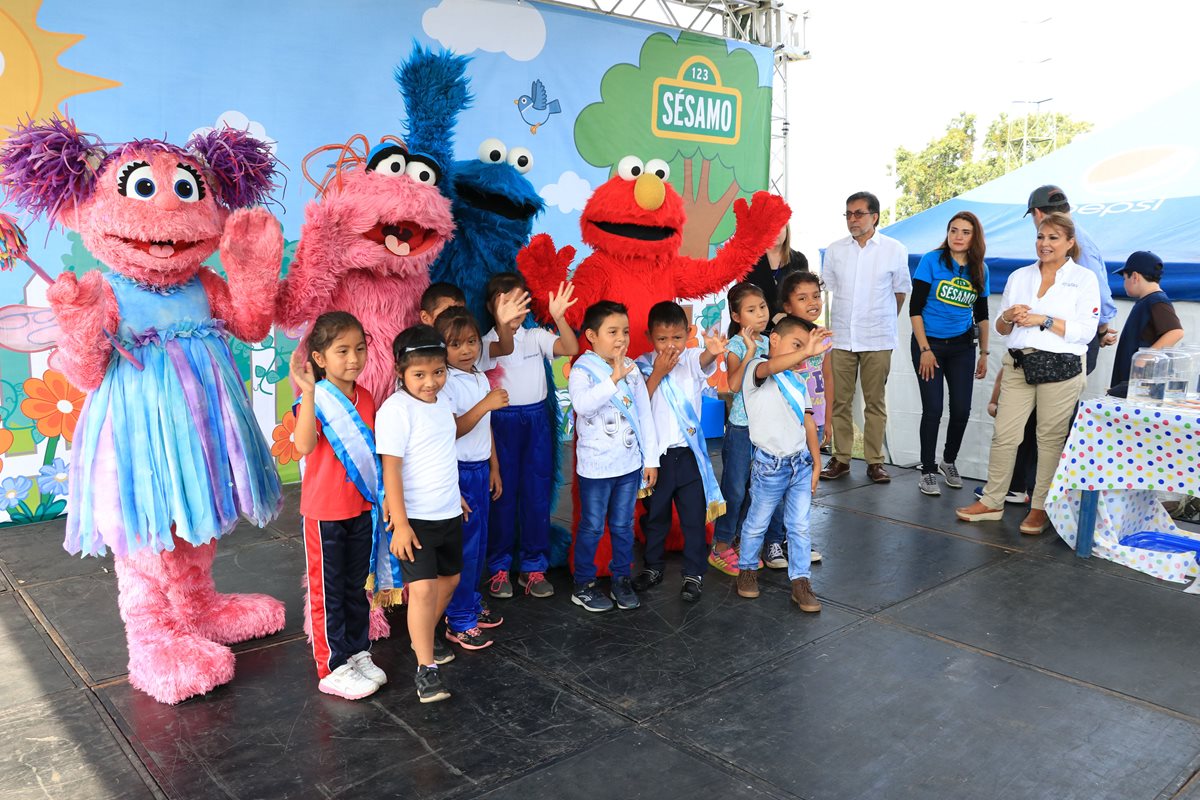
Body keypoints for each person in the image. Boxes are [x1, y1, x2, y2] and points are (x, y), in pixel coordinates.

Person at [956, 212, 1099, 535]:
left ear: (1069, 243)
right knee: (1005, 435)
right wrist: (1007, 315)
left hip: (1061, 367)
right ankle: (992, 501)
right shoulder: (1020, 276)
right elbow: (1004, 329)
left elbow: (1086, 332)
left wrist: (1044, 320)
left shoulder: (1084, 279)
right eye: (1040, 237)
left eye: (1053, 238)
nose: (1044, 244)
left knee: (1048, 439)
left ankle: (1040, 508)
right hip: (1019, 363)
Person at [291, 312, 385, 701]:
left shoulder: (367, 398)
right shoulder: (314, 399)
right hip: (324, 513)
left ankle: (356, 651)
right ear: (319, 357)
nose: (353, 359)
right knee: (326, 592)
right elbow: (304, 446)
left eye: (359, 349)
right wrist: (310, 394)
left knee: (354, 586)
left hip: (360, 509)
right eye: (342, 351)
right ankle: (330, 665)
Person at [377, 325, 465, 704]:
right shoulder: (395, 410)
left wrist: (457, 496)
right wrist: (399, 523)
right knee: (424, 589)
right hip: (415, 520)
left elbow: (442, 453)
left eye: (438, 372)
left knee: (451, 580)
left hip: (447, 511)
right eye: (420, 375)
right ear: (400, 371)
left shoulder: (442, 404)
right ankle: (426, 669)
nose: (431, 382)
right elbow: (391, 469)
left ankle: (421, 639)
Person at [478, 273, 578, 600]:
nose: (515, 310)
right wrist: (504, 324)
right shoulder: (483, 343)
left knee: (536, 495)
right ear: (491, 307)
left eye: (521, 302)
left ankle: (534, 567)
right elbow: (503, 345)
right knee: (502, 498)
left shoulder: (535, 336)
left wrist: (560, 318)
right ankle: (499, 567)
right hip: (501, 424)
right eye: (506, 302)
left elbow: (570, 347)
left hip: (536, 422)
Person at [632, 301, 727, 603]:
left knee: (693, 518)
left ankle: (693, 573)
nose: (670, 345)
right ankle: (653, 568)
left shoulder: (691, 360)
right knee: (656, 517)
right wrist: (657, 373)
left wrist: (712, 349)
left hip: (689, 457)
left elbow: (705, 361)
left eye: (677, 338)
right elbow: (637, 404)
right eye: (662, 339)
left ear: (688, 335)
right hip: (656, 459)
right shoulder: (641, 366)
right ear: (650, 337)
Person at [735, 315, 831, 611]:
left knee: (799, 526)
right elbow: (770, 366)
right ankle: (748, 569)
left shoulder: (798, 382)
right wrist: (807, 351)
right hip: (769, 466)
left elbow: (808, 421)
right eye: (796, 345)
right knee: (757, 524)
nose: (802, 353)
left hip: (799, 464)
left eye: (805, 347)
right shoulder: (756, 369)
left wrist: (816, 463)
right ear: (774, 340)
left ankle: (800, 581)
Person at [568, 300, 659, 612]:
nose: (621, 338)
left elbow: (644, 413)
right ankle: (584, 584)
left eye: (625, 331)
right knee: (592, 527)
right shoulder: (582, 369)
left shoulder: (632, 369)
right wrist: (613, 379)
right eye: (612, 332)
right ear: (592, 335)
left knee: (623, 525)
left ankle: (621, 579)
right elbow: (583, 406)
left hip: (629, 465)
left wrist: (651, 460)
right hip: (595, 469)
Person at [820, 191, 911, 484]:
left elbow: (900, 291)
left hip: (878, 338)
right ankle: (842, 458)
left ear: (875, 216)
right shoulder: (835, 250)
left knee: (875, 403)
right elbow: (830, 289)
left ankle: (874, 462)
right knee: (840, 402)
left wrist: (882, 321)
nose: (852, 219)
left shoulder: (895, 249)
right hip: (843, 336)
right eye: (848, 214)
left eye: (858, 213)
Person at [434, 307, 509, 651]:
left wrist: (493, 466)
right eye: (455, 344)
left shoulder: (478, 375)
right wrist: (487, 403)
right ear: (441, 348)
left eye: (471, 342)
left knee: (478, 546)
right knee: (463, 549)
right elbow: (453, 429)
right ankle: (459, 619)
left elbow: (485, 428)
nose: (466, 350)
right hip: (459, 472)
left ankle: (470, 602)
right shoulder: (445, 381)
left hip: (480, 469)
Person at [909, 212, 991, 496]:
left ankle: (948, 460)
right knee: (933, 409)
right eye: (953, 230)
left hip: (961, 347)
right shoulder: (931, 261)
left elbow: (982, 315)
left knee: (961, 410)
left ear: (974, 237)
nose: (958, 236)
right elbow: (914, 309)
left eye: (965, 232)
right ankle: (929, 470)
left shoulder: (980, 269)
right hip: (928, 344)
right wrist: (924, 350)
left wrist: (985, 352)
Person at [709, 283, 775, 576]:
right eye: (751, 310)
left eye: (762, 307)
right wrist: (749, 351)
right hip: (741, 429)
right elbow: (734, 385)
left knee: (756, 489)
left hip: (766, 426)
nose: (760, 314)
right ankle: (721, 546)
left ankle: (740, 540)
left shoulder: (771, 342)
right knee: (734, 488)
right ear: (736, 316)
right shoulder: (736, 345)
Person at [1024, 185, 1117, 373]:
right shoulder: (1078, 236)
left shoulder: (1077, 244)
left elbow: (1099, 292)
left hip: (1070, 338)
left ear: (1038, 213)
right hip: (1059, 335)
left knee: (1062, 398)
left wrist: (1102, 330)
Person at [1108, 251, 1184, 396]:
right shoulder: (1148, 300)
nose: (1124, 283)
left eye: (1125, 278)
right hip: (1132, 383)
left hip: (1142, 385)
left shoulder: (1157, 300)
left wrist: (1144, 358)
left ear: (1135, 276)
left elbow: (1176, 332)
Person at [746, 218, 810, 319]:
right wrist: (773, 316)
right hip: (757, 325)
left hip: (792, 324)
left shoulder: (799, 260)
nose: (775, 231)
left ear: (787, 228)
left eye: (780, 226)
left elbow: (804, 296)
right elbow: (744, 298)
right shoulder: (749, 262)